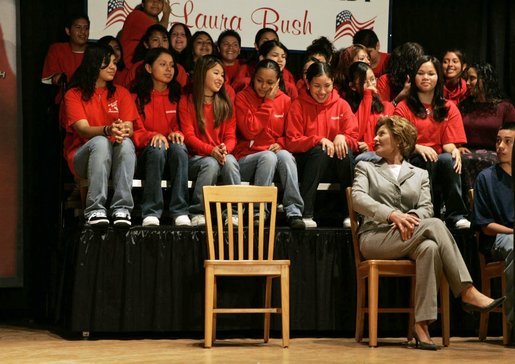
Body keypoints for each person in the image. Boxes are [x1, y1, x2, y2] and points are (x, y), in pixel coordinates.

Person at [352, 115, 505, 350]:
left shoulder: (419, 174)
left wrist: (410, 219)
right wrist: (392, 214)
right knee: (434, 224)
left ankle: (421, 325)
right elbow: (358, 198)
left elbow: (426, 208)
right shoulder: (366, 167)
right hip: (376, 237)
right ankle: (467, 291)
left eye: (381, 134)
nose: (375, 138)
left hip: (410, 234)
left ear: (399, 139)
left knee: (430, 247)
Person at [62, 43, 137, 226]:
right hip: (82, 156)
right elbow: (82, 129)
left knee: (126, 143)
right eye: (108, 63)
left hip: (115, 151)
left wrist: (121, 130)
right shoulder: (74, 94)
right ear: (94, 63)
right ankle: (95, 209)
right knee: (101, 142)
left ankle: (122, 208)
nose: (113, 67)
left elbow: (129, 127)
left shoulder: (122, 93)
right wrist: (108, 130)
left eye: (114, 63)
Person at [395, 55, 470, 230]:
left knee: (449, 159)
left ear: (438, 78)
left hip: (438, 159)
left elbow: (448, 144)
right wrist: (418, 147)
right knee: (425, 159)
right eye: (421, 73)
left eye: (431, 73)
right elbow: (399, 143)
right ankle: (426, 213)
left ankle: (456, 216)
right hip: (411, 159)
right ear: (413, 77)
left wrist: (455, 151)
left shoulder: (449, 107)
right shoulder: (403, 107)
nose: (426, 78)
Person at [234, 59, 305, 229]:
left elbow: (290, 135)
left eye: (270, 82)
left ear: (278, 82)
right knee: (268, 156)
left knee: (286, 156)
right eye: (259, 81)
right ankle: (259, 210)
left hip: (273, 156)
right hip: (246, 158)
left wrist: (281, 143)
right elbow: (249, 131)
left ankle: (293, 211)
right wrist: (268, 103)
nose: (264, 86)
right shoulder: (242, 98)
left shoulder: (286, 101)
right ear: (253, 78)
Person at [286, 62, 358, 228]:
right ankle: (306, 213)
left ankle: (349, 213)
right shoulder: (298, 105)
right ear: (308, 83)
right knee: (321, 151)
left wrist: (343, 137)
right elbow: (292, 141)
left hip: (336, 164)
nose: (322, 91)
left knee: (345, 151)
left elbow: (354, 140)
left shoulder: (342, 105)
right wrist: (317, 139)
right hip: (309, 163)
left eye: (327, 85)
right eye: (317, 86)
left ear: (333, 82)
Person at [178, 55, 241, 226]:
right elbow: (188, 137)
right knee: (210, 164)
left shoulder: (225, 103)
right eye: (216, 73)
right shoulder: (187, 101)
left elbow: (230, 136)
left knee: (230, 161)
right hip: (196, 159)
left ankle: (234, 212)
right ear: (202, 73)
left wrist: (223, 150)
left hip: (220, 154)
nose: (220, 78)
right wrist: (210, 150)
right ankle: (198, 211)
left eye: (222, 75)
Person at [131, 48, 190, 227]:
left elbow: (184, 126)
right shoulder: (136, 97)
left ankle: (180, 211)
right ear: (149, 68)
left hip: (171, 154)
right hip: (146, 157)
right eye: (163, 65)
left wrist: (177, 133)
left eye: (171, 65)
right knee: (156, 148)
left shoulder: (178, 96)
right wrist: (152, 136)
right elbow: (135, 131)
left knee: (179, 148)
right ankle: (151, 212)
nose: (169, 69)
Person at [472, 123, 514, 333]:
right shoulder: (486, 178)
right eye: (498, 140)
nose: (500, 146)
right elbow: (485, 226)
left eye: (508, 141)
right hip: (499, 239)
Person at [459, 62, 515, 189]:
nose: (467, 83)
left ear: (485, 80)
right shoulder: (463, 107)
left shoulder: (505, 107)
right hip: (466, 154)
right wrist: (458, 146)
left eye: (472, 78)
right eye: (466, 79)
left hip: (497, 154)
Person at [345, 61, 394, 163]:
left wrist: (370, 145)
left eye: (372, 79)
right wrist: (368, 95)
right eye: (364, 82)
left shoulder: (387, 106)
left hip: (386, 155)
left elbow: (394, 136)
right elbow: (357, 134)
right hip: (362, 159)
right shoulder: (348, 108)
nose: (371, 85)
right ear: (353, 86)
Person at [42, 14, 89, 104]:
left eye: (86, 28)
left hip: (92, 102)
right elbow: (53, 78)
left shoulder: (95, 52)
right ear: (68, 31)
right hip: (66, 103)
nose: (83, 32)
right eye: (78, 27)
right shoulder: (57, 49)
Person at [124, 24, 188, 89]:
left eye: (164, 40)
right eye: (155, 40)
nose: (161, 44)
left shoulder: (179, 69)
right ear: (146, 44)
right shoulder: (137, 68)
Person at [233, 40, 297, 98]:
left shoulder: (289, 88)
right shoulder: (244, 84)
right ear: (262, 58)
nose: (280, 60)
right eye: (275, 55)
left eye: (283, 57)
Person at [119, 0, 171, 70]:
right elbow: (159, 30)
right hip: (129, 71)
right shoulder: (136, 15)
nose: (155, 3)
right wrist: (166, 14)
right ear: (143, 4)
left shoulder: (155, 21)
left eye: (159, 0)